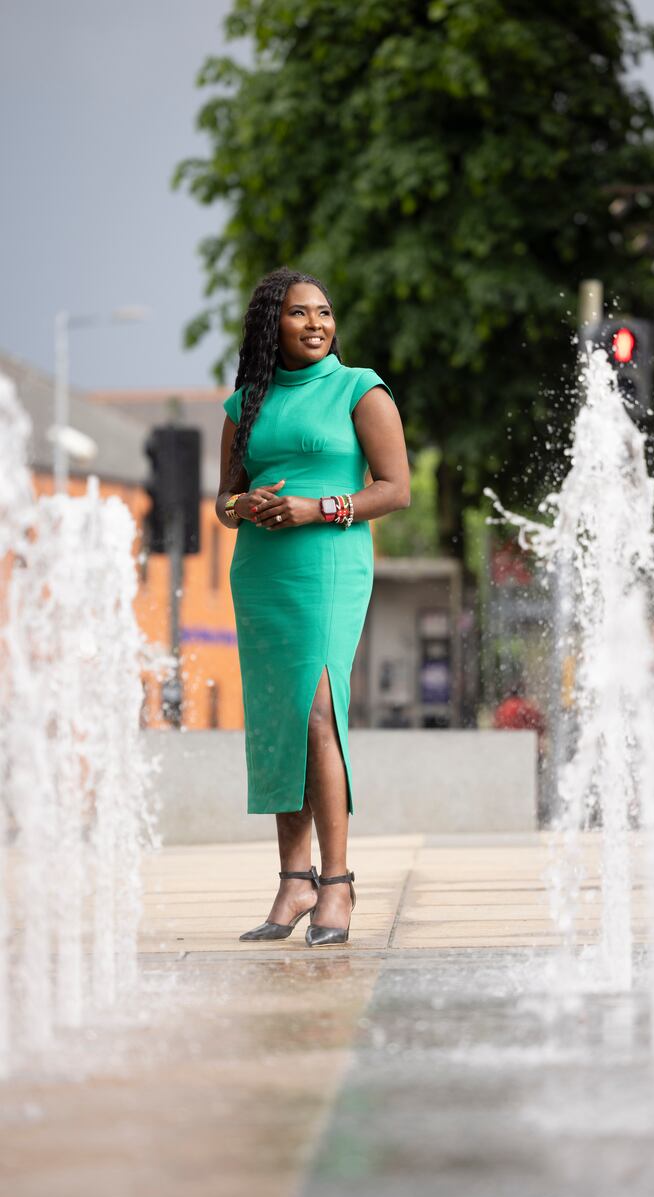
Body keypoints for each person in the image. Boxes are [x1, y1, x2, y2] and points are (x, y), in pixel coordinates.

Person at [216, 268, 410, 945]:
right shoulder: (245, 404)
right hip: (263, 571)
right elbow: (224, 503)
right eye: (299, 313)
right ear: (272, 324)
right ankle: (292, 880)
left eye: (324, 312)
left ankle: (337, 883)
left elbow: (395, 489)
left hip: (329, 563)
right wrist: (247, 505)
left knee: (320, 710)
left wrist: (315, 507)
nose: (316, 323)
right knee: (279, 717)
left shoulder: (362, 388)